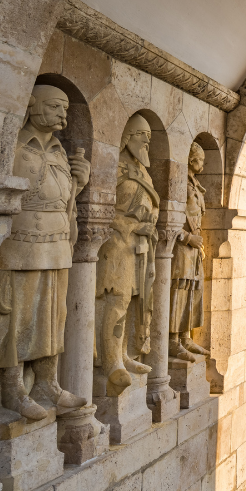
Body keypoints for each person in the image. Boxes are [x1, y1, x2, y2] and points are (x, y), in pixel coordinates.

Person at [0, 84, 89, 420]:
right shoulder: (14, 144)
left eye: (65, 108)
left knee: (52, 317)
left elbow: (62, 197)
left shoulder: (60, 152)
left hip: (58, 243)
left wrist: (80, 184)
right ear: (32, 106)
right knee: (17, 316)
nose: (63, 114)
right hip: (22, 244)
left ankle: (48, 384)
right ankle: (14, 390)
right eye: (56, 107)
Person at [95, 114, 157, 395]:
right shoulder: (115, 167)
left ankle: (123, 355)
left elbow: (152, 205)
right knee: (116, 301)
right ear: (127, 136)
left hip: (139, 246)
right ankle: (110, 362)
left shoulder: (143, 171)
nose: (146, 141)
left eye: (149, 136)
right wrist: (133, 225)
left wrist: (148, 224)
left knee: (131, 301)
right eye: (141, 135)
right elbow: (103, 211)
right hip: (116, 244)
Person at [169, 143, 210, 362]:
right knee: (179, 289)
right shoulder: (181, 183)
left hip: (194, 248)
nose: (203, 163)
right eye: (200, 159)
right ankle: (172, 341)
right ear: (191, 160)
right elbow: (169, 218)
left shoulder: (195, 185)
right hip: (181, 246)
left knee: (193, 289)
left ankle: (186, 337)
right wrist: (187, 238)